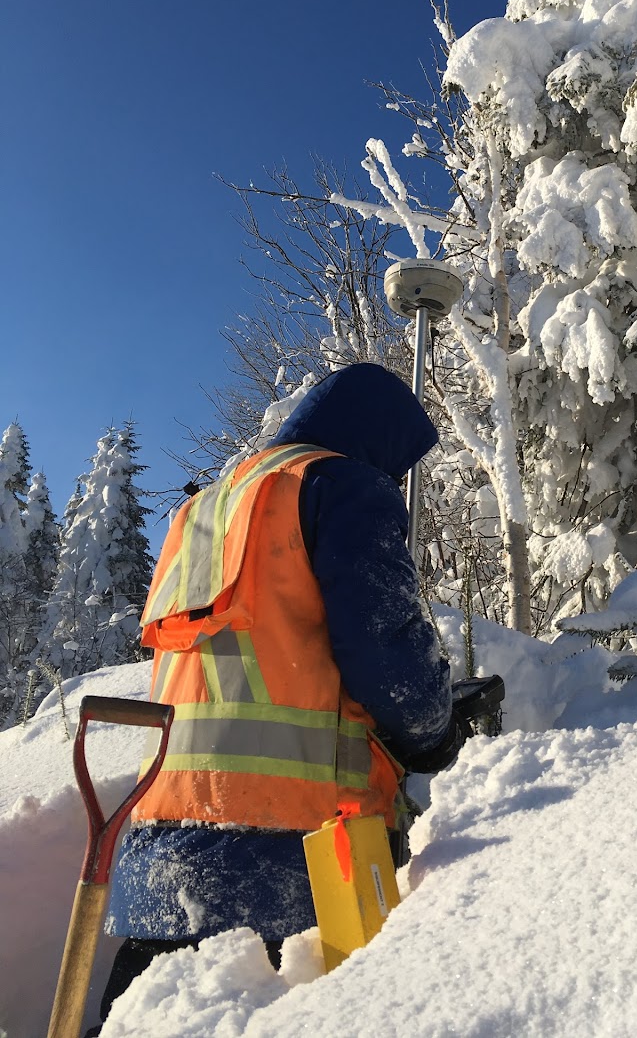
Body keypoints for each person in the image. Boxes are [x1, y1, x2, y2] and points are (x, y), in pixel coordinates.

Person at [97, 363, 461, 1023]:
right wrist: (438, 730)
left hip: (155, 862)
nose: (395, 479)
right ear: (374, 438)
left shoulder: (199, 513)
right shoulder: (340, 486)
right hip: (295, 865)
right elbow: (390, 658)